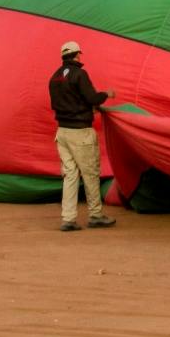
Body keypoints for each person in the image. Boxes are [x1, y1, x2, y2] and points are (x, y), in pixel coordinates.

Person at [48, 40, 116, 231]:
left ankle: (68, 219)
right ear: (77, 55)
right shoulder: (79, 74)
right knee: (90, 174)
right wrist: (107, 95)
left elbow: (64, 103)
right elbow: (91, 98)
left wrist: (84, 109)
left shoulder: (54, 77)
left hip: (62, 132)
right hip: (81, 133)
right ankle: (95, 215)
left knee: (70, 175)